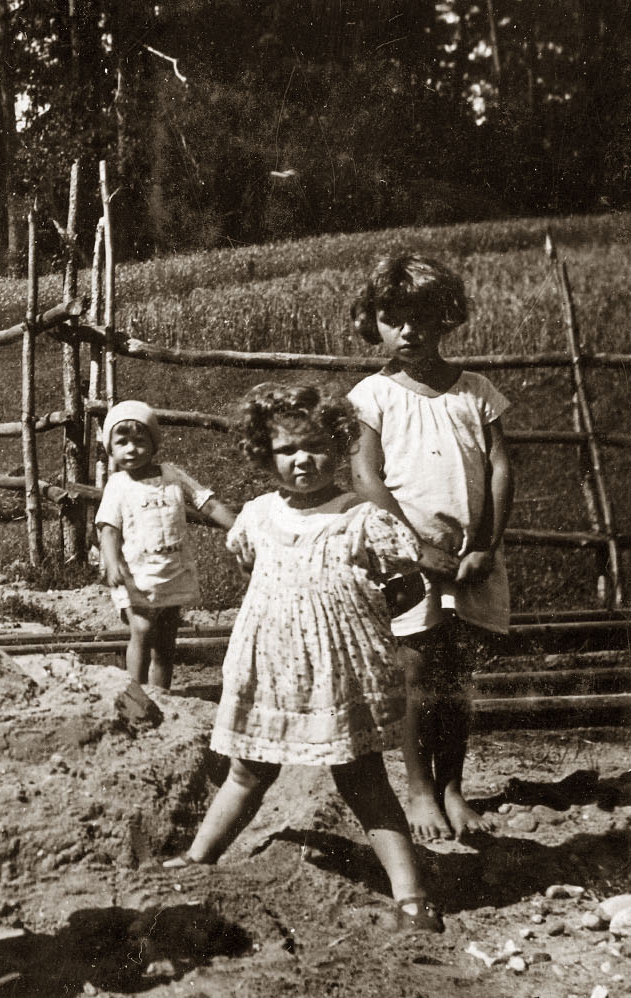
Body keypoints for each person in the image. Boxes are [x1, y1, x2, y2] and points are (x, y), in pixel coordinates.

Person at [166, 383, 443, 934]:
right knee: (248, 769)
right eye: (287, 449)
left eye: (315, 446)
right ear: (264, 455)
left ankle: (410, 895)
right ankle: (199, 858)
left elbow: (409, 587)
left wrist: (351, 620)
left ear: (338, 446)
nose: (302, 460)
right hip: (271, 671)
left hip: (339, 675)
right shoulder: (257, 517)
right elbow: (256, 571)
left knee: (362, 777)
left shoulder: (361, 518)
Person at [347, 255, 512, 843]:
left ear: (446, 318)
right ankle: (419, 788)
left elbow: (499, 469)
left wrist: (485, 544)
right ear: (374, 324)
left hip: (468, 558)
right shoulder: (373, 395)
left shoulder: (475, 391)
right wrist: (414, 547)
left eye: (420, 317)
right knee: (417, 668)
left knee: (456, 671)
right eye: (393, 319)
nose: (408, 331)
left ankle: (452, 786)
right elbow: (365, 476)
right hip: (409, 560)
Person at [95, 400, 236, 687]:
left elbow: (206, 502)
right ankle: (136, 691)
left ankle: (162, 694)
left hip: (172, 572)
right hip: (136, 575)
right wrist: (111, 562)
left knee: (165, 641)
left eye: (140, 441)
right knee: (142, 629)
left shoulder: (172, 475)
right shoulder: (118, 485)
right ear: (111, 449)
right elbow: (108, 529)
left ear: (154, 443)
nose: (131, 449)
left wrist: (238, 526)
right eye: (122, 443)